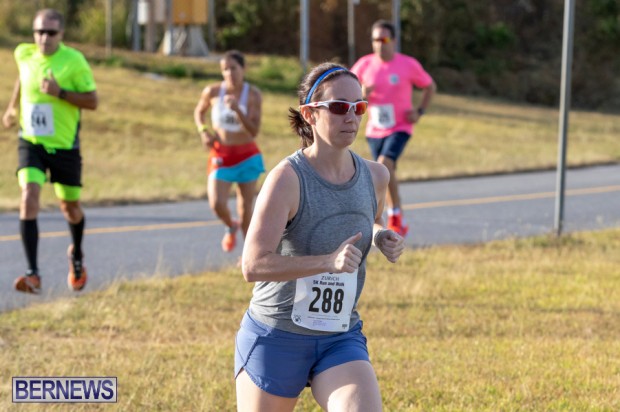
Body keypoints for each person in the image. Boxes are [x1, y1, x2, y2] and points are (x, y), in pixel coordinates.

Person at [235, 62, 405, 411]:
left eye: (359, 107)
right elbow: (252, 265)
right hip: (276, 334)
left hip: (338, 336)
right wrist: (327, 262)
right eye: (339, 107)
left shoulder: (376, 176)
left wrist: (380, 236)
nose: (351, 117)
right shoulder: (287, 179)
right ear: (309, 114)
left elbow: (370, 220)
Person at [2, 9, 98, 294]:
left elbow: (93, 101)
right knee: (28, 196)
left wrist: (61, 93)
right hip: (31, 141)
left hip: (65, 146)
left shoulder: (74, 61)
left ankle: (77, 254)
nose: (44, 38)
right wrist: (11, 107)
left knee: (70, 208)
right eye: (39, 32)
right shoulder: (23, 53)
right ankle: (33, 275)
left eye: (51, 32)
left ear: (61, 34)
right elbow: (23, 77)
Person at [351, 19, 436, 237]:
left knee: (383, 165)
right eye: (375, 40)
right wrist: (361, 93)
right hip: (375, 129)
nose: (379, 44)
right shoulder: (364, 65)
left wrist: (419, 111)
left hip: (400, 127)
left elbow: (429, 86)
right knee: (386, 174)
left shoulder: (407, 64)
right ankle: (398, 216)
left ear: (394, 41)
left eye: (384, 39)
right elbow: (348, 91)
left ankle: (392, 215)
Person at [194, 50, 264, 253]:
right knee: (217, 203)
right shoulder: (213, 91)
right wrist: (203, 131)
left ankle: (248, 255)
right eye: (225, 69)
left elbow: (254, 131)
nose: (229, 73)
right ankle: (230, 225)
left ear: (243, 69)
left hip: (247, 156)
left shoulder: (253, 95)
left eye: (234, 68)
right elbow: (199, 112)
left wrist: (238, 110)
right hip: (221, 155)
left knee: (245, 209)